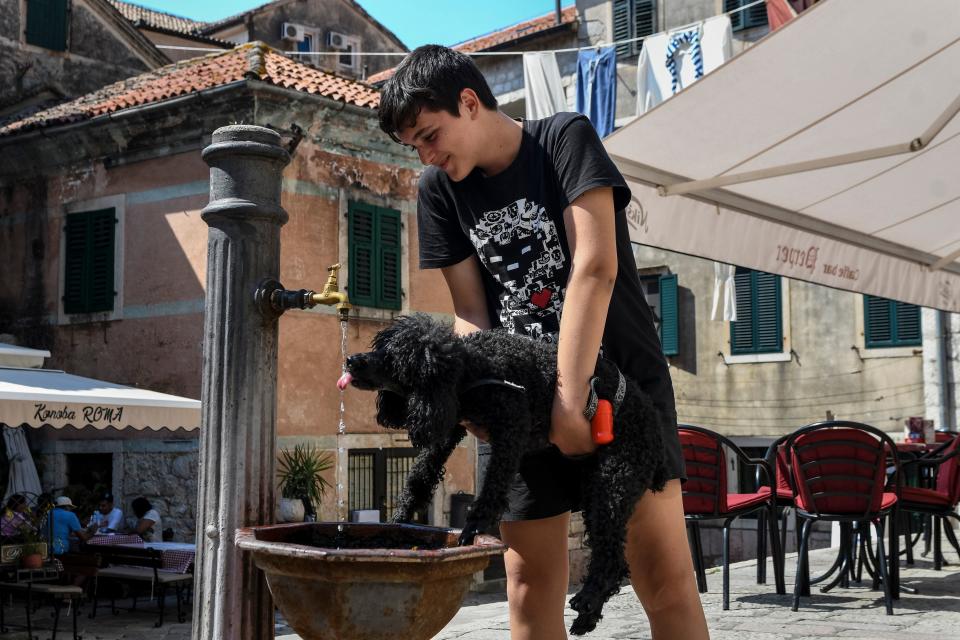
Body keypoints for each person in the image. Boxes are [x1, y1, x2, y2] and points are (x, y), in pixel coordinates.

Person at [378, 45, 709, 640]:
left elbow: (595, 268)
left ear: (470, 103)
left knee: (663, 583)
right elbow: (473, 315)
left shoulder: (564, 140)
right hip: (520, 406)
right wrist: (471, 398)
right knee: (528, 592)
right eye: (415, 147)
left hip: (622, 391)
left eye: (431, 135)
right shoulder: (439, 191)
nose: (426, 155)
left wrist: (568, 399)